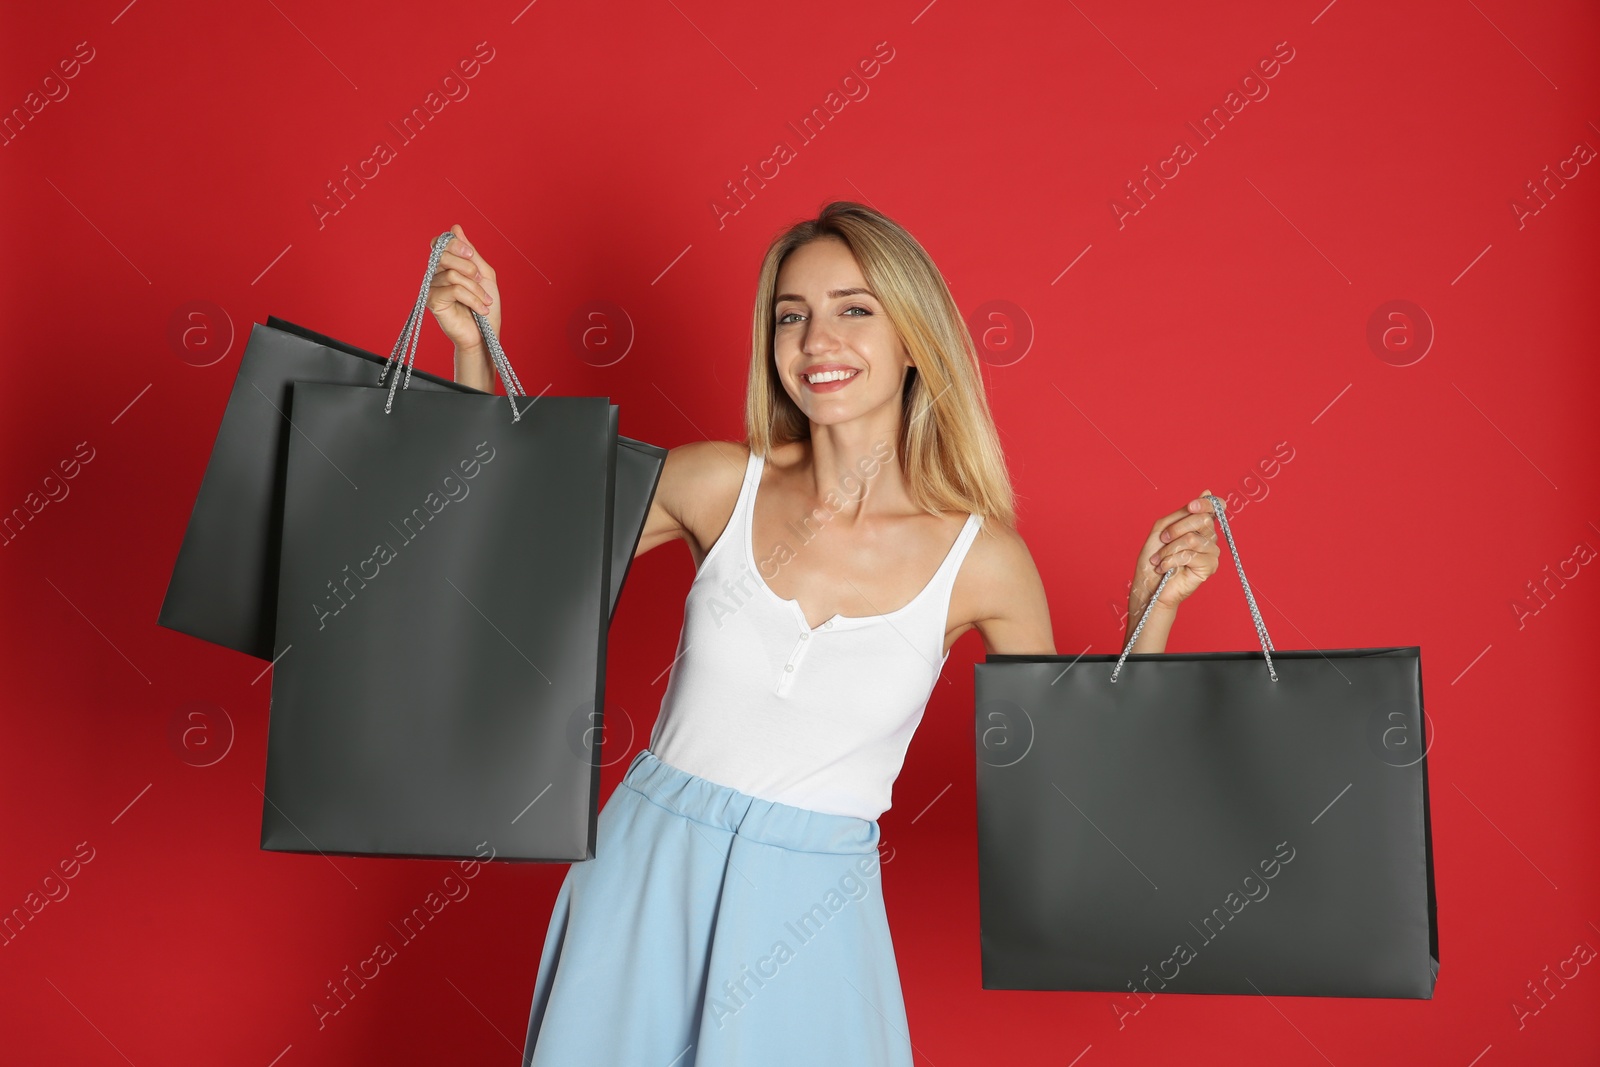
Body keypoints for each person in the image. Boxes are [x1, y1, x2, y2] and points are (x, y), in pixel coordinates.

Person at [428, 203, 1222, 1065]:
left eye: (853, 309)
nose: (816, 340)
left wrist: (1156, 612)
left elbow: (1071, 787)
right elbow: (510, 551)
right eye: (791, 315)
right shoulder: (716, 482)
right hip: (644, 877)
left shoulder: (982, 560)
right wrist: (473, 348)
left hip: (812, 911)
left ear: (915, 338)